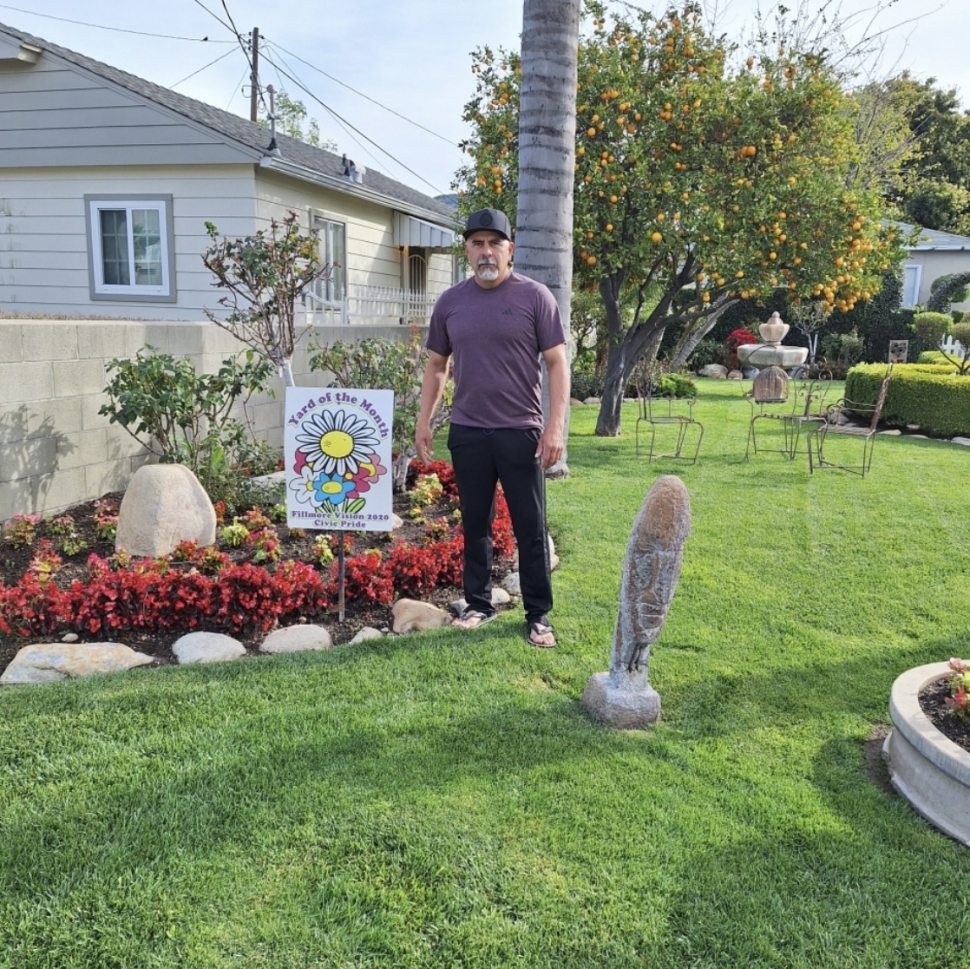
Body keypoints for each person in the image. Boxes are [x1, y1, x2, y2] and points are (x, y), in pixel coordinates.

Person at [416, 208, 569, 648]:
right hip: (468, 431)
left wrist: (554, 427)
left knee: (530, 526)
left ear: (509, 250)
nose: (486, 251)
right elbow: (436, 366)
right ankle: (478, 604)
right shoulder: (450, 302)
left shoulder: (535, 297)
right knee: (476, 525)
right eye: (477, 243)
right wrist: (424, 421)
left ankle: (538, 615)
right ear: (467, 249)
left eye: (494, 243)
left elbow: (558, 363)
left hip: (520, 431)